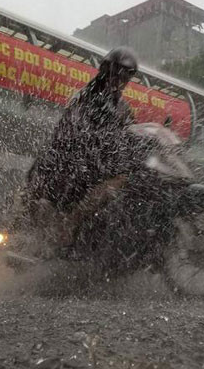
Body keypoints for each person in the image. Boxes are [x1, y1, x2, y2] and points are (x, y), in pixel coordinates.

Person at [22, 46, 139, 244]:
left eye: (123, 78)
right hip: (72, 160)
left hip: (95, 161)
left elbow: (132, 131)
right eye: (114, 75)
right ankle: (71, 222)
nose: (118, 81)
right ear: (104, 72)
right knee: (116, 181)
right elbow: (72, 129)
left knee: (128, 180)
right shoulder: (86, 97)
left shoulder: (122, 106)